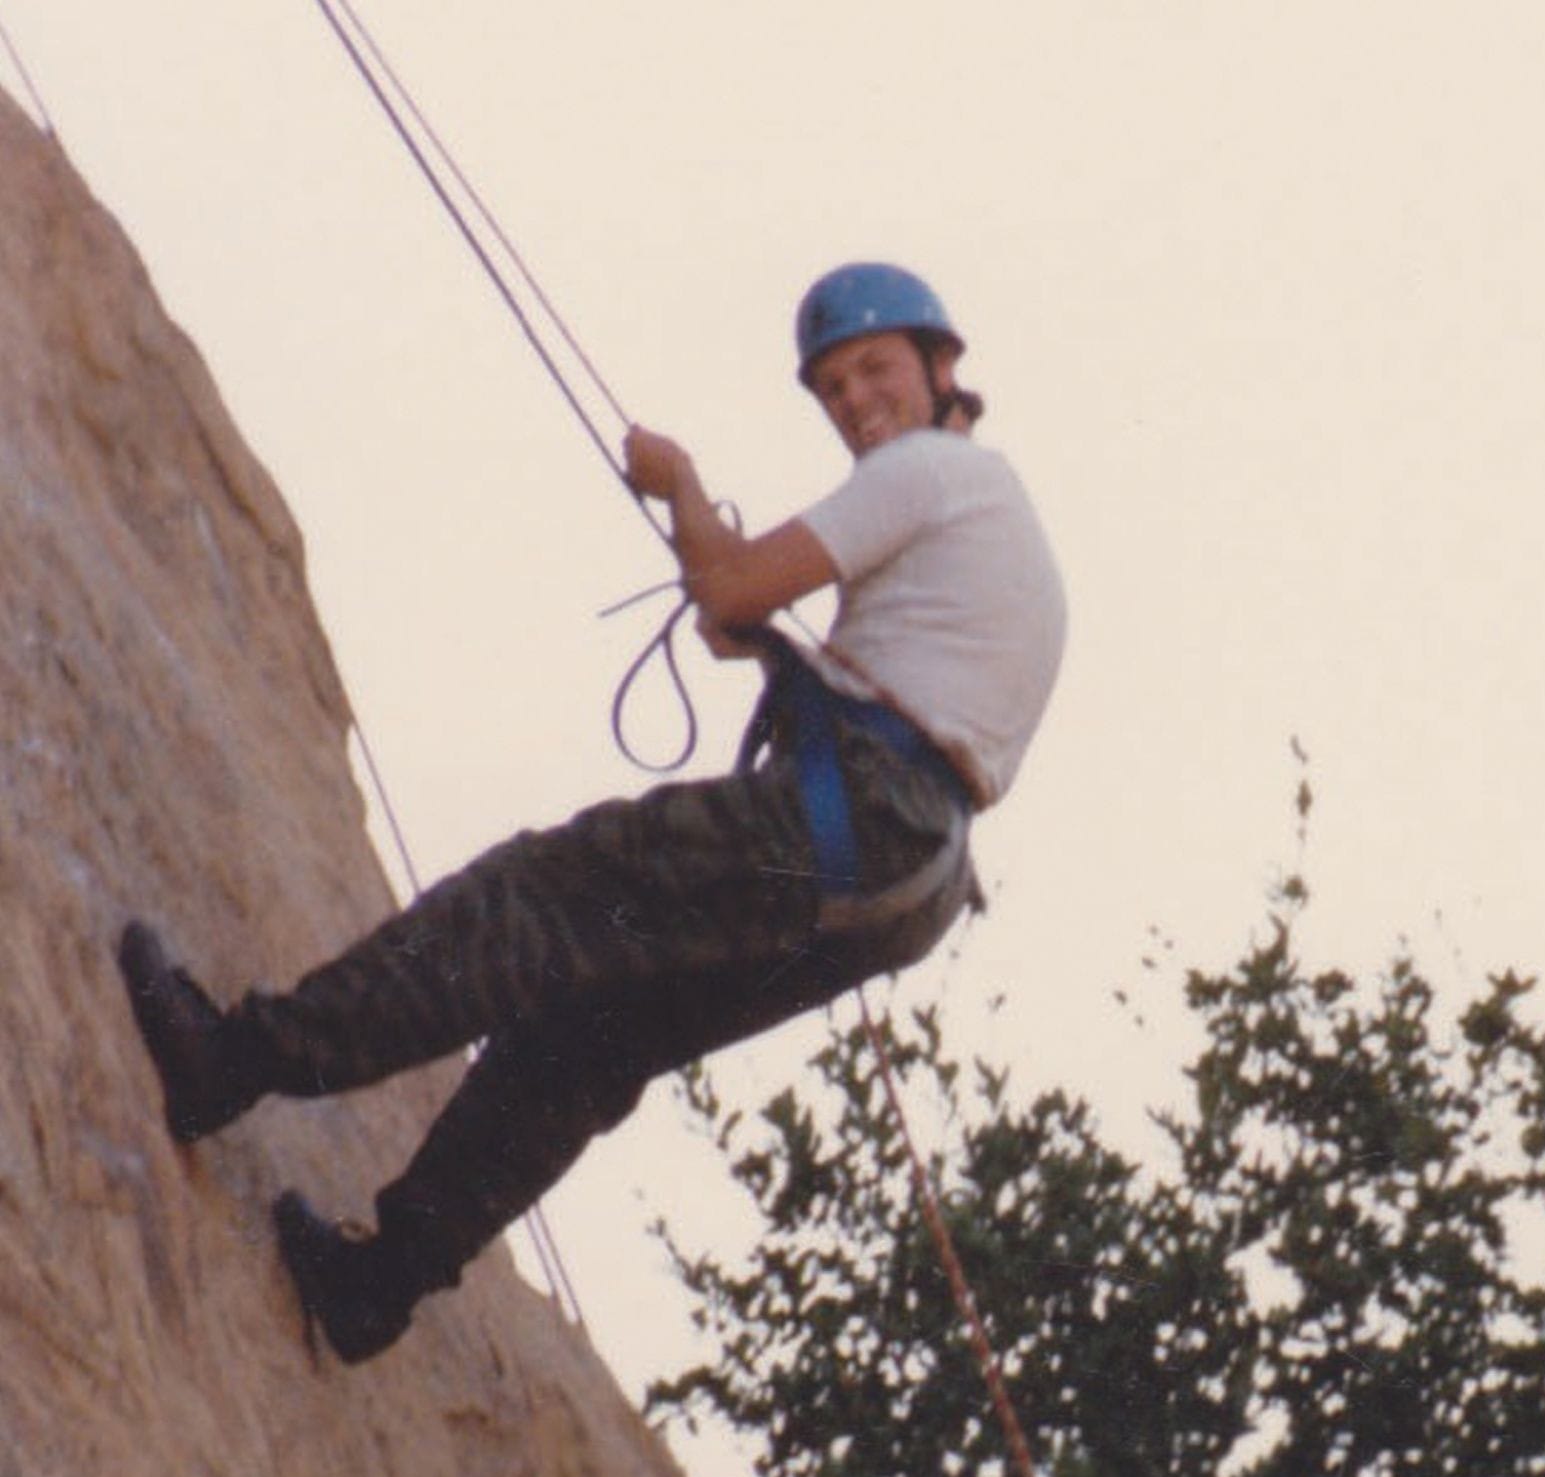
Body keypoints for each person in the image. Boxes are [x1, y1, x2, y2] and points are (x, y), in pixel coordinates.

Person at [117, 262, 1066, 1365]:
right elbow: (740, 612)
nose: (856, 402)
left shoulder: (930, 472)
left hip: (864, 814)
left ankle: (235, 1058)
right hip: (909, 875)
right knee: (590, 1030)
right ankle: (377, 1281)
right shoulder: (978, 506)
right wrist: (711, 541)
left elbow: (729, 596)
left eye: (874, 371)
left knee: (544, 899)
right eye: (834, 387)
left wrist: (681, 483)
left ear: (941, 368)